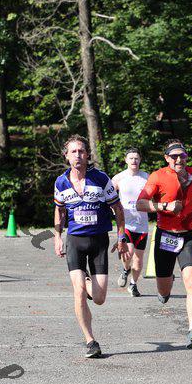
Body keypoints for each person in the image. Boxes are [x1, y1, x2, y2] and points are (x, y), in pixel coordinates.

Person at [136, 139, 192, 349]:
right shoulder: (158, 176)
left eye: (182, 155)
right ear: (167, 158)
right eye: (174, 156)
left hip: (187, 236)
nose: (179, 159)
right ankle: (165, 288)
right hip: (166, 236)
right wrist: (164, 206)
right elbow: (140, 203)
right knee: (163, 289)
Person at [54, 135, 130, 358]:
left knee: (99, 298)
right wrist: (57, 236)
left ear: (87, 155)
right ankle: (90, 341)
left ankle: (87, 281)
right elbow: (59, 210)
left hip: (98, 241)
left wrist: (122, 236)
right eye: (73, 152)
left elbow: (118, 209)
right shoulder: (61, 182)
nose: (78, 155)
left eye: (81, 151)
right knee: (78, 291)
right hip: (75, 241)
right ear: (66, 156)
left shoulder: (101, 178)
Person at [112, 148, 149, 297]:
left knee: (138, 260)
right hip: (126, 223)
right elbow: (108, 196)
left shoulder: (147, 177)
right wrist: (112, 209)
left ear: (140, 160)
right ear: (126, 160)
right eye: (131, 158)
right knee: (129, 253)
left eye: (136, 158)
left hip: (142, 224)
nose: (134, 161)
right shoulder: (119, 178)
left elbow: (156, 195)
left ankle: (133, 285)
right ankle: (125, 269)